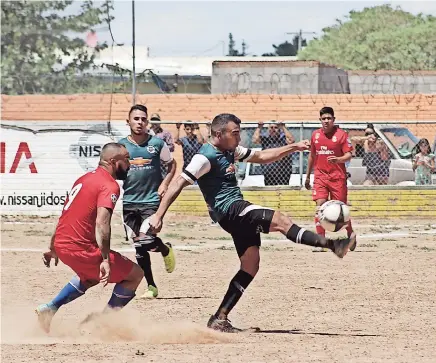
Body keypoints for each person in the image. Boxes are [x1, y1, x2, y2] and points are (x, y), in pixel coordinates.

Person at [148, 113, 356, 333]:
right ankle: (333, 245)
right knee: (281, 220)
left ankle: (219, 319)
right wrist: (159, 215)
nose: (239, 138)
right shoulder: (204, 157)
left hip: (234, 213)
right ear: (219, 134)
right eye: (235, 133)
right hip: (231, 210)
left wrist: (293, 147)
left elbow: (262, 156)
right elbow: (178, 183)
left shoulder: (229, 150)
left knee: (250, 265)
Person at [36, 143, 144, 333]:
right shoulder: (109, 184)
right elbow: (102, 223)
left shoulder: (83, 179)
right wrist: (105, 260)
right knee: (135, 274)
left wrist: (53, 246)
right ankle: (103, 324)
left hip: (63, 246)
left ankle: (49, 309)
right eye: (126, 159)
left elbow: (65, 214)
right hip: (80, 248)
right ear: (113, 162)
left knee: (89, 278)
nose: (130, 164)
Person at [119, 105, 177, 299]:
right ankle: (152, 286)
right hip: (129, 202)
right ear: (128, 122)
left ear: (147, 122)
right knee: (139, 246)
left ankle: (164, 249)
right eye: (136, 119)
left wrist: (165, 184)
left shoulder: (157, 144)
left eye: (143, 119)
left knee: (146, 240)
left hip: (151, 201)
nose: (140, 122)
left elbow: (172, 165)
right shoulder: (120, 147)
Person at [305, 107, 356, 252]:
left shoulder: (341, 135)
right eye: (323, 118)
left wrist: (338, 159)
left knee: (341, 210)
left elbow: (349, 155)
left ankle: (350, 234)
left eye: (329, 118)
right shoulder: (315, 135)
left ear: (334, 120)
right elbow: (312, 156)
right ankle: (321, 242)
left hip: (337, 178)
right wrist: (308, 176)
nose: (326, 121)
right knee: (320, 207)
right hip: (320, 176)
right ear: (320, 120)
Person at [252, 121, 295, 186]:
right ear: (268, 129)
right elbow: (255, 140)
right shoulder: (265, 139)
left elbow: (291, 140)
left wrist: (283, 127)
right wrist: (259, 127)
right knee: (269, 190)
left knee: (284, 189)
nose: (273, 129)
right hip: (269, 171)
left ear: (279, 130)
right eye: (271, 127)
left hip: (283, 171)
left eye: (276, 127)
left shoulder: (283, 138)